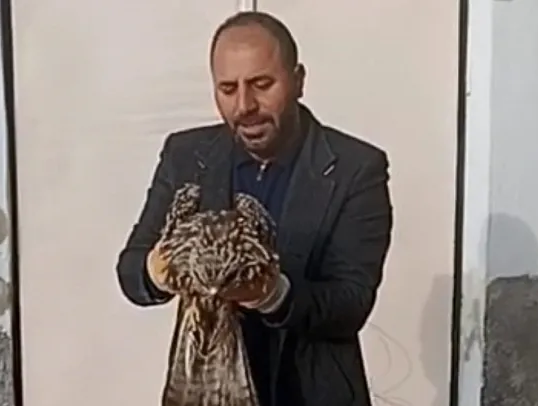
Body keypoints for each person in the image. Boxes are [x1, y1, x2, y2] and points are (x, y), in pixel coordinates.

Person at [116, 10, 393, 406]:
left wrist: (270, 293)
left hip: (311, 391)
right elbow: (131, 273)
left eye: (262, 84)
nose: (245, 105)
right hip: (206, 386)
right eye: (228, 89)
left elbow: (351, 302)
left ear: (298, 81)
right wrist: (162, 268)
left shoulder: (356, 168)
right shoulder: (186, 155)